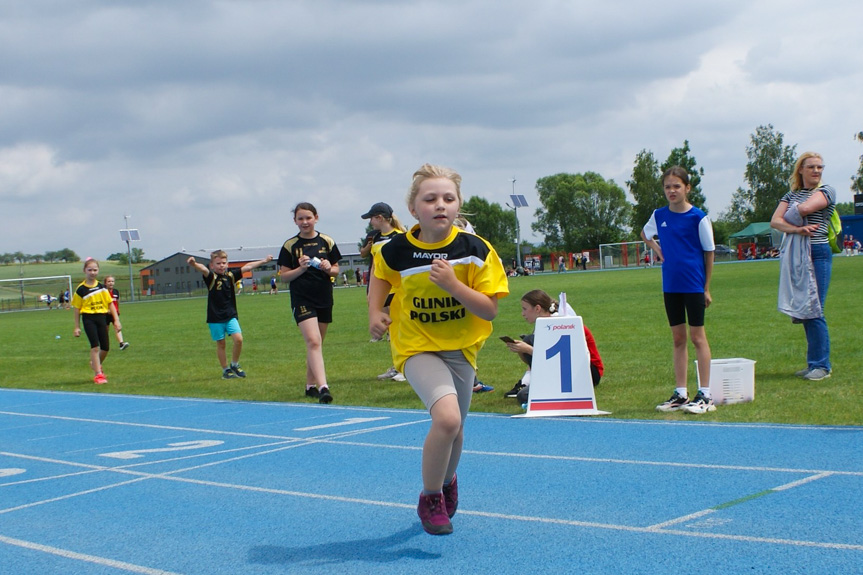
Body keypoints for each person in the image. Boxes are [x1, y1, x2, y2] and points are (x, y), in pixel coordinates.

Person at [369, 163, 509, 535]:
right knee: (446, 419)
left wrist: (453, 285)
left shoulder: (475, 249)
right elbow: (380, 277)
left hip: (461, 348)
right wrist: (374, 313)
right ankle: (430, 497)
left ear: (458, 205)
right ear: (414, 209)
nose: (440, 205)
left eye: (448, 198)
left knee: (457, 429)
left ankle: (447, 482)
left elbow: (489, 308)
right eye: (430, 199)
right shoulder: (395, 250)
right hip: (415, 346)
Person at [641, 166, 716, 414]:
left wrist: (706, 287)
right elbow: (644, 233)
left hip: (693, 284)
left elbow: (709, 251)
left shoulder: (698, 217)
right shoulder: (659, 215)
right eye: (667, 187)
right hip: (670, 285)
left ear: (687, 188)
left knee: (697, 337)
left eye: (676, 186)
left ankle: (705, 394)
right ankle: (681, 394)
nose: (671, 191)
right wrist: (657, 249)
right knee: (678, 338)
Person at [769, 151, 836, 381]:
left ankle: (822, 366)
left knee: (815, 307)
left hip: (817, 252)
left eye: (820, 167)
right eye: (811, 167)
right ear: (801, 169)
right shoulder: (792, 193)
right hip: (796, 254)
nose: (816, 171)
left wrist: (788, 215)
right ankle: (813, 363)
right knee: (805, 310)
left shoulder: (826, 191)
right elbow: (774, 222)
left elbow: (803, 210)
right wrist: (796, 228)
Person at [278, 202, 342, 404]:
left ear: (316, 217)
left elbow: (336, 270)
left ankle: (309, 386)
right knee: (313, 341)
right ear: (295, 221)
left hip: (324, 297)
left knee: (316, 344)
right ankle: (324, 387)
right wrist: (301, 269)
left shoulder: (327, 241)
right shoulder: (290, 245)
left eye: (308, 218)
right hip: (302, 298)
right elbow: (284, 276)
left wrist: (326, 268)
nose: (304, 222)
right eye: (300, 219)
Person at [503, 290, 603, 403]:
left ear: (537, 308)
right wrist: (521, 350)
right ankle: (530, 384)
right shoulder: (543, 324)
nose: (522, 313)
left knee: (529, 341)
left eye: (525, 309)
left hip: (588, 371)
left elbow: (562, 358)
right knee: (529, 342)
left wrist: (527, 349)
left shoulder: (560, 322)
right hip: (575, 369)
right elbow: (536, 362)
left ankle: (543, 385)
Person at [188, 251, 273, 380]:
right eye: (218, 263)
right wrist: (193, 264)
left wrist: (264, 261)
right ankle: (225, 369)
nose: (221, 266)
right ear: (212, 265)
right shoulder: (211, 277)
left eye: (224, 263)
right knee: (221, 344)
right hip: (215, 317)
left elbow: (248, 267)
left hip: (230, 315)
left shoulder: (231, 276)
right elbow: (203, 269)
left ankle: (234, 364)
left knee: (238, 339)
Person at [361, 201, 409, 380]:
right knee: (393, 330)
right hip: (383, 291)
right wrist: (371, 294)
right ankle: (398, 365)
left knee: (400, 329)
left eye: (371, 219)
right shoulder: (375, 239)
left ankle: (404, 366)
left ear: (379, 218)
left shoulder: (400, 237)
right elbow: (375, 268)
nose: (370, 223)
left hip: (399, 291)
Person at [72, 258, 121, 384]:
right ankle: (98, 374)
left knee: (105, 348)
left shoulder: (102, 288)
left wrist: (116, 321)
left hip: (101, 318)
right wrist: (77, 327)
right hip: (89, 318)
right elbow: (77, 309)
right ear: (84, 271)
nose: (92, 272)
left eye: (95, 270)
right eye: (90, 270)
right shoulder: (81, 289)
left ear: (98, 271)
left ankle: (95, 363)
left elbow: (110, 304)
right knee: (95, 347)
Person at [103, 276, 130, 350]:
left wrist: (118, 310)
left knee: (117, 327)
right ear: (105, 283)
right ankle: (103, 345)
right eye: (109, 281)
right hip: (105, 314)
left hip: (114, 313)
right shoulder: (103, 292)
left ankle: (121, 344)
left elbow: (117, 301)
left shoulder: (116, 291)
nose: (111, 283)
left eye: (112, 281)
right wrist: (106, 310)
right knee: (105, 330)